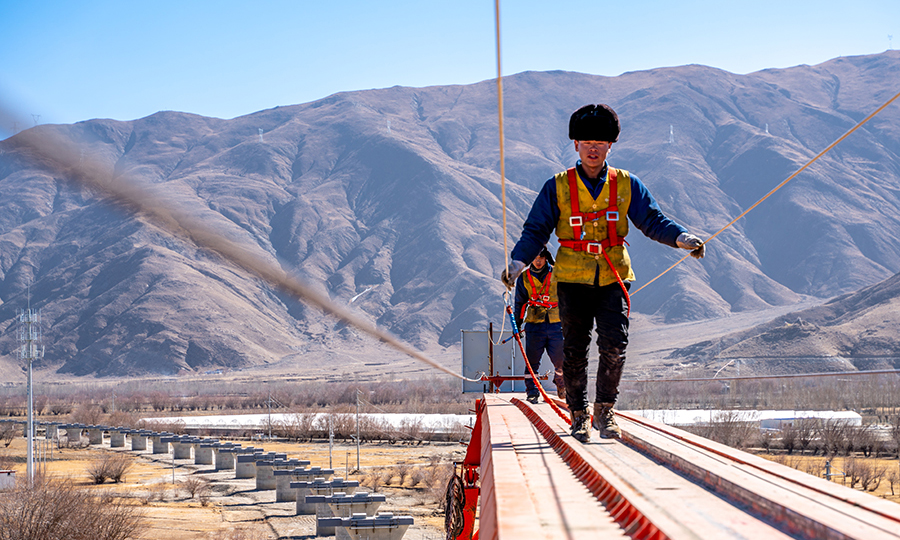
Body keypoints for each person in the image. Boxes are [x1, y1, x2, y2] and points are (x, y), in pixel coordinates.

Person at [501, 104, 705, 442]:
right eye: (586, 141)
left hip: (613, 276)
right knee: (575, 350)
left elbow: (652, 220)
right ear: (576, 145)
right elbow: (536, 230)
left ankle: (605, 411)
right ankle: (579, 415)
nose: (593, 148)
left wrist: (682, 238)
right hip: (571, 279)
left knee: (615, 345)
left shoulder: (627, 184)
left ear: (611, 145)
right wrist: (517, 264)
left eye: (600, 142)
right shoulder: (557, 187)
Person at [513, 247, 565, 404]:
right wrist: (517, 324)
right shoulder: (524, 278)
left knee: (560, 360)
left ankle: (561, 385)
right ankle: (532, 391)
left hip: (557, 323)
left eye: (541, 257)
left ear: (545, 258)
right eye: (534, 257)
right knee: (532, 361)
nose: (537, 260)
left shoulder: (559, 273)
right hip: (534, 325)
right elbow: (520, 303)